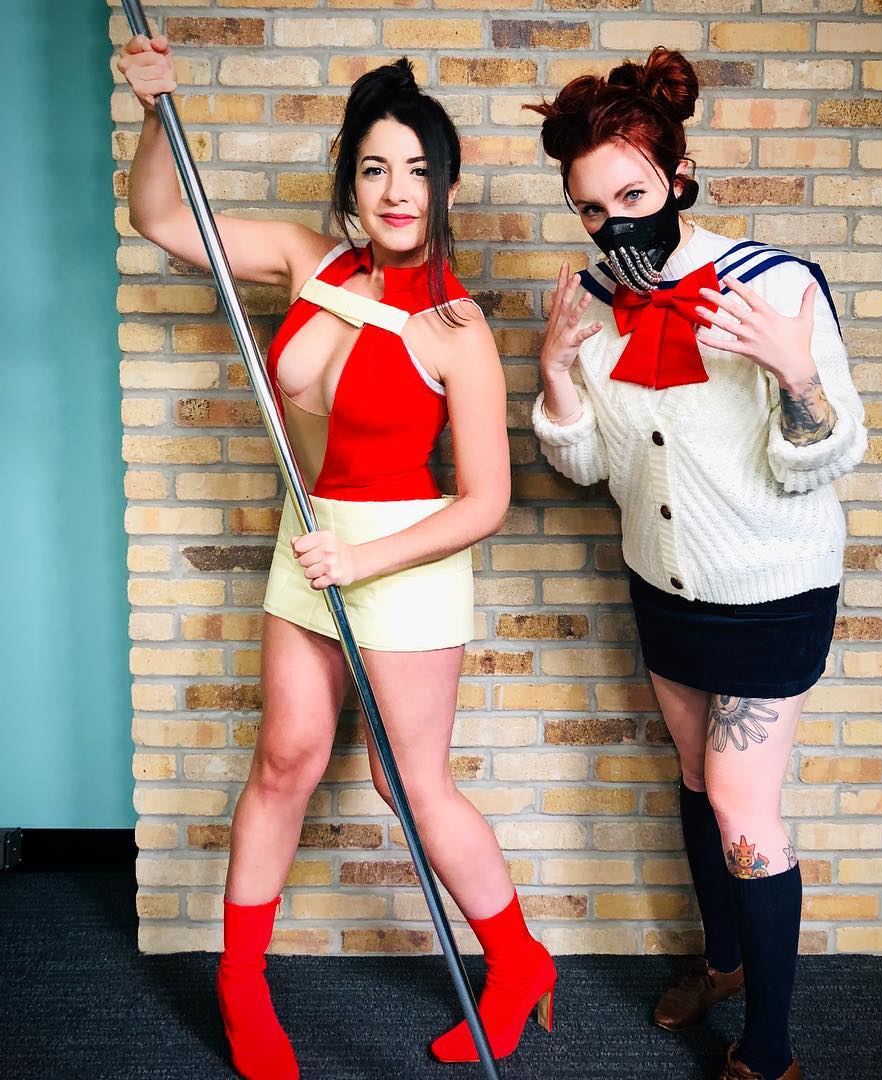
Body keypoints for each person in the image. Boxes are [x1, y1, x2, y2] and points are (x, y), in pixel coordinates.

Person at [118, 34, 555, 1079]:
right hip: (306, 544)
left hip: (401, 562)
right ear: (349, 182)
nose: (397, 191)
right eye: (374, 168)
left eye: (418, 170)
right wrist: (154, 114)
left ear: (446, 187)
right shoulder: (305, 260)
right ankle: (241, 986)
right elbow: (162, 219)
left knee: (410, 787)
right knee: (285, 762)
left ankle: (519, 963)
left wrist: (364, 563)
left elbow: (487, 501)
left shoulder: (457, 328)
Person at [527, 47, 867, 1080]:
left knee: (740, 804)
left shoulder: (774, 285)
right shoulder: (593, 303)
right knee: (694, 778)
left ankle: (770, 1049)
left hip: (771, 593)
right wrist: (556, 373)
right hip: (664, 583)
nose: (614, 224)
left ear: (678, 177)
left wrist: (797, 373)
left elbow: (822, 459)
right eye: (592, 208)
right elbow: (588, 465)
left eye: (632, 196)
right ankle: (722, 964)